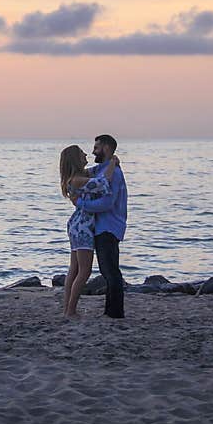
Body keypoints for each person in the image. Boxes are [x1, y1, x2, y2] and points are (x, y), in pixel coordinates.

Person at [59, 145, 118, 318]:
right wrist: (113, 163)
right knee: (84, 271)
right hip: (83, 226)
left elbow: (97, 170)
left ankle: (67, 309)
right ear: (75, 159)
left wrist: (109, 162)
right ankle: (71, 310)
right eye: (82, 153)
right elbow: (102, 182)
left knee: (74, 269)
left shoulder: (78, 176)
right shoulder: (77, 179)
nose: (86, 154)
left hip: (76, 225)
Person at [75, 135, 127, 318]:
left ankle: (115, 313)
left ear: (105, 147)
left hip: (109, 227)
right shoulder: (103, 169)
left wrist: (80, 203)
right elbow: (81, 173)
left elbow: (107, 203)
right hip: (102, 226)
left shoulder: (115, 174)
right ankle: (111, 311)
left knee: (110, 271)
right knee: (109, 271)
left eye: (96, 147)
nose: (93, 151)